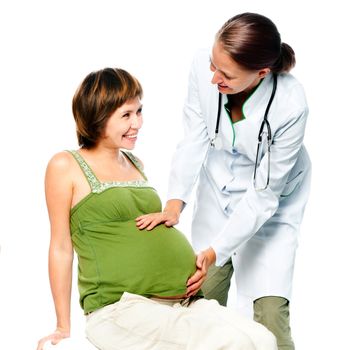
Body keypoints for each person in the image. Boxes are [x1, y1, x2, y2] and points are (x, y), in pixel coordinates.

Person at [37, 67, 277, 350]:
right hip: (122, 309)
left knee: (264, 339)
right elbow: (61, 248)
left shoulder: (135, 163)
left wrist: (188, 266)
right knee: (232, 343)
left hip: (184, 302)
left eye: (139, 112)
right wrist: (62, 326)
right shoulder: (66, 165)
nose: (137, 123)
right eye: (126, 115)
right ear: (97, 115)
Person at [136, 13, 311, 350]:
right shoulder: (203, 65)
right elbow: (194, 137)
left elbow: (263, 195)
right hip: (219, 188)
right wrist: (174, 205)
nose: (214, 77)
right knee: (200, 300)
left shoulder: (290, 104)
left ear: (261, 73)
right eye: (213, 66)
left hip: (274, 205)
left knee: (271, 312)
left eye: (226, 75)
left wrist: (217, 250)